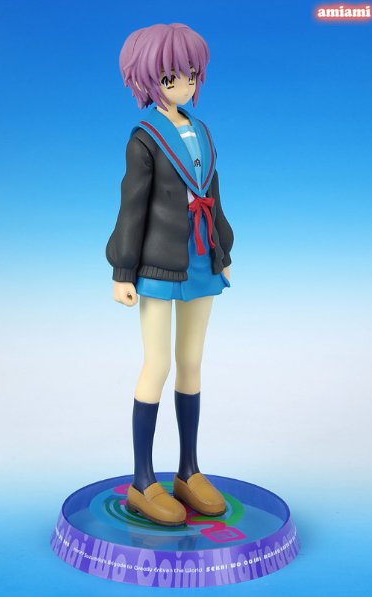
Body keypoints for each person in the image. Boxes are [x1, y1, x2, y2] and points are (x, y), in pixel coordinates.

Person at [106, 23, 234, 526]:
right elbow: (132, 206)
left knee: (192, 362)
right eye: (169, 77)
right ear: (148, 80)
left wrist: (223, 246)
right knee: (156, 364)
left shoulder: (201, 131)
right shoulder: (145, 138)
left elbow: (213, 194)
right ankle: (143, 480)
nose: (183, 84)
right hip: (159, 263)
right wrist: (123, 269)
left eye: (190, 74)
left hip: (201, 258)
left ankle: (188, 470)